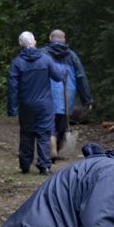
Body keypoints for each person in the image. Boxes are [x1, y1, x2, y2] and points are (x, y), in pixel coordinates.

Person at [8, 31, 64, 175]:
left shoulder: (17, 63)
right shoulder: (46, 59)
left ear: (20, 45)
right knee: (44, 134)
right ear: (34, 42)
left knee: (26, 133)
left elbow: (13, 88)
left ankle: (25, 165)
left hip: (26, 105)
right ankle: (44, 165)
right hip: (44, 104)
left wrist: (12, 108)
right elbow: (58, 76)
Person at [43, 29, 93, 159]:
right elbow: (81, 77)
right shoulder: (72, 55)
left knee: (50, 122)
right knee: (63, 123)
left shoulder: (43, 54)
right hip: (67, 94)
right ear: (64, 40)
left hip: (48, 93)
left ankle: (52, 146)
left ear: (50, 38)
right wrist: (87, 99)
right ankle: (60, 149)